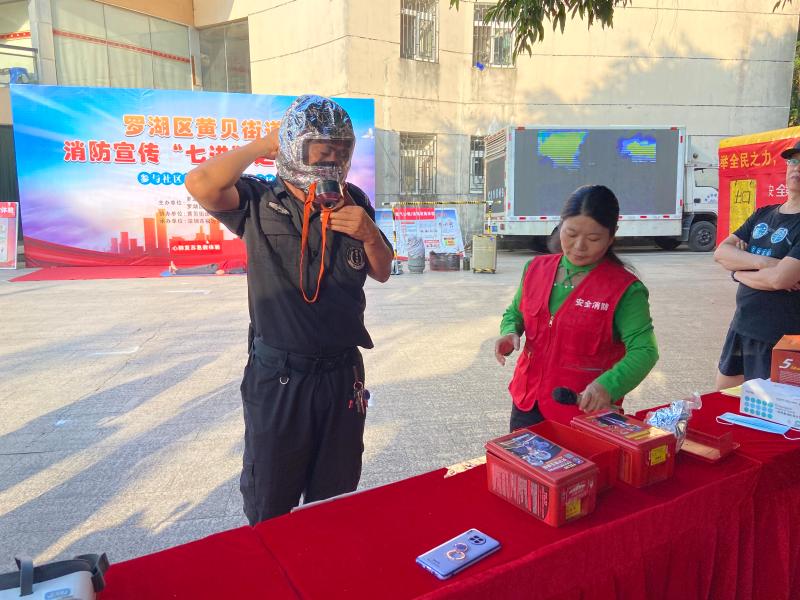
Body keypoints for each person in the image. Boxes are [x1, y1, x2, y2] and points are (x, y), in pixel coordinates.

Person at [184, 95, 393, 524]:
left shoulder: (353, 200)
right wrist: (264, 144)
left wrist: (370, 233)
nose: (331, 160)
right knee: (270, 501)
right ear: (295, 148)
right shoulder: (260, 200)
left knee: (334, 500)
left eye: (340, 150)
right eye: (321, 150)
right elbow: (201, 183)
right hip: (279, 378)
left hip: (341, 375)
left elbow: (383, 271)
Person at [495, 185, 659, 430]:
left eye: (593, 239)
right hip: (528, 401)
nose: (579, 246)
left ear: (612, 236)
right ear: (560, 226)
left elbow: (645, 351)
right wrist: (510, 331)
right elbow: (516, 312)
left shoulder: (625, 290)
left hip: (582, 410)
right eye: (571, 234)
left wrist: (608, 386)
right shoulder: (535, 268)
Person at [713, 140, 800, 388]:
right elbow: (722, 252)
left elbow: (780, 279)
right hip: (742, 327)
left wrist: (739, 270)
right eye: (793, 161)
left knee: (773, 407)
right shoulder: (763, 214)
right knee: (723, 396)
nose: (796, 168)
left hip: (783, 338)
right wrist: (766, 263)